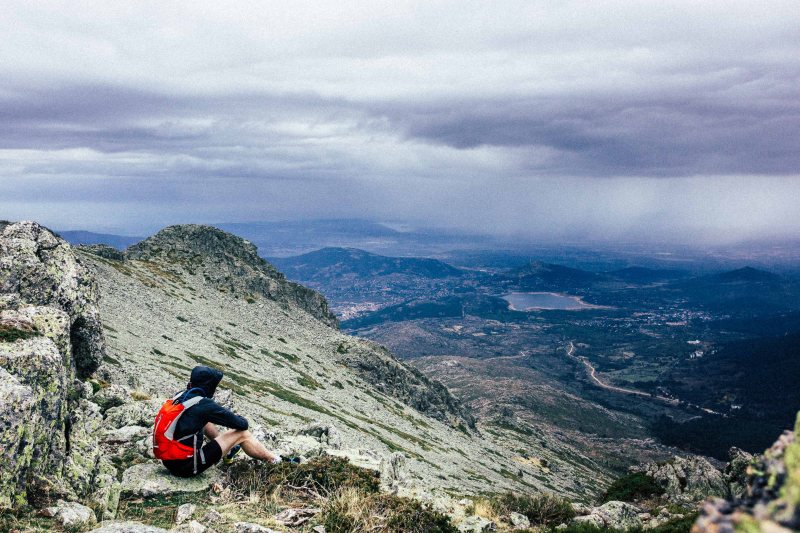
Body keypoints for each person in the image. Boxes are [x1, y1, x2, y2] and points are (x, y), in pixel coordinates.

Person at [153, 365, 281, 477]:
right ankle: (275, 460)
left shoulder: (181, 396)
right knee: (243, 434)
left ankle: (229, 451)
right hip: (188, 467)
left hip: (169, 462)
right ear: (209, 387)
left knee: (204, 420)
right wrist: (234, 416)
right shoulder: (204, 405)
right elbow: (242, 425)